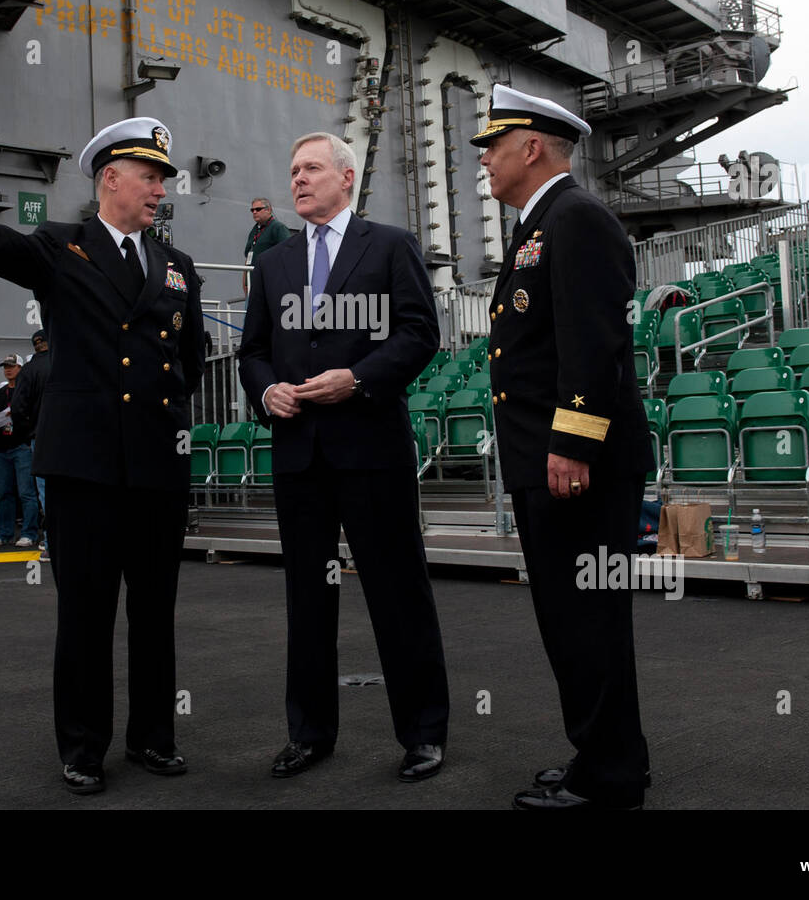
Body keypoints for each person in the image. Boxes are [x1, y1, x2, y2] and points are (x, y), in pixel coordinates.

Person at [0, 115, 205, 797]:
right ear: (111, 178)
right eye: (149, 177)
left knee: (155, 611)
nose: (160, 190)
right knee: (84, 613)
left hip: (155, 469)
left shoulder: (179, 268)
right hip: (83, 468)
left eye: (164, 179)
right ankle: (83, 746)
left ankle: (153, 737)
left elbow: (190, 361)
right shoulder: (61, 247)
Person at [238, 131, 450, 784]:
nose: (296, 179)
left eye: (310, 168)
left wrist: (356, 379)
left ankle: (423, 734)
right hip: (299, 453)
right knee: (307, 597)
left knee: (397, 590)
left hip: (371, 448)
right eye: (292, 169)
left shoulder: (389, 245)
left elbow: (421, 333)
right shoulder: (274, 264)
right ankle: (309, 733)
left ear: (346, 178)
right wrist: (266, 387)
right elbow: (252, 350)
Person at [473, 85, 653, 810]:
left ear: (531, 146)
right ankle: (604, 758)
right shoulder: (540, 222)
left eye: (492, 144)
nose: (483, 159)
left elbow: (594, 342)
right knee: (571, 620)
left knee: (588, 621)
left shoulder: (574, 218)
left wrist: (573, 445)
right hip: (547, 462)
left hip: (579, 466)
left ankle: (609, 779)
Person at [0, 353, 39, 549]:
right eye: (5, 366)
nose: (7, 369)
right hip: (2, 447)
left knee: (26, 492)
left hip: (20, 446)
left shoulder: (26, 390)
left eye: (11, 366)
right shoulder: (0, 394)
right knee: (4, 493)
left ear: (20, 368)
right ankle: (5, 533)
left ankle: (29, 532)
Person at [12, 332, 52, 559]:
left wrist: (27, 429)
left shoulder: (28, 370)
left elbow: (18, 408)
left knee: (45, 492)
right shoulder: (63, 362)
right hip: (68, 436)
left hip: (41, 437)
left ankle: (51, 543)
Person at [242, 196, 290, 295]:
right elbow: (248, 258)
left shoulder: (278, 228)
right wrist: (245, 282)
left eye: (258, 209)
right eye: (252, 210)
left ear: (268, 210)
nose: (254, 212)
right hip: (253, 285)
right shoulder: (254, 231)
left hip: (270, 284)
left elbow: (288, 254)